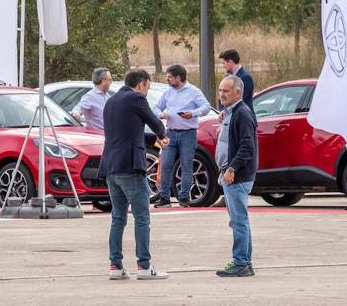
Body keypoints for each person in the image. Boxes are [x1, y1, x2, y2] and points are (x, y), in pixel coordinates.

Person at [99, 69, 170, 281]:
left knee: (118, 218)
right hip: (130, 166)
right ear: (141, 84)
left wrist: (152, 137)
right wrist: (162, 135)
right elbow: (156, 123)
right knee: (141, 217)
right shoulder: (137, 99)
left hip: (111, 166)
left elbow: (128, 131)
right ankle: (144, 266)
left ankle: (115, 266)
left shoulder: (111, 101)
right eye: (148, 87)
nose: (147, 91)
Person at [215, 74, 258, 278]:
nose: (221, 94)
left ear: (238, 93)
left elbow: (247, 147)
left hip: (237, 176)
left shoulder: (242, 113)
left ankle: (240, 262)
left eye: (226, 91)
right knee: (239, 220)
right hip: (230, 174)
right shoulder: (231, 112)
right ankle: (244, 262)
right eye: (221, 90)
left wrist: (231, 169)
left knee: (239, 221)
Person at [152, 64, 211, 207]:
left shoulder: (194, 91)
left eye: (170, 77)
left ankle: (184, 197)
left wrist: (192, 114)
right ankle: (165, 198)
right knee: (165, 165)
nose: (167, 79)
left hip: (188, 134)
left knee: (186, 166)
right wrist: (161, 114)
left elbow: (206, 107)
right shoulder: (168, 92)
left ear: (178, 77)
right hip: (170, 133)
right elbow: (156, 107)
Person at [72, 67, 111, 131]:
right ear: (103, 81)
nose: (111, 82)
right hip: (97, 136)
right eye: (110, 80)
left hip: (109, 135)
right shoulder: (90, 96)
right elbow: (78, 108)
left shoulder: (107, 96)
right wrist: (76, 113)